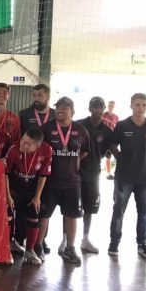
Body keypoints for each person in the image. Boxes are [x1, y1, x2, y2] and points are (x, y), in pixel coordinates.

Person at [108, 93, 146, 259]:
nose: (140, 108)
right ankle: (114, 243)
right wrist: (121, 158)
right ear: (131, 105)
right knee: (118, 211)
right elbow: (112, 145)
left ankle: (142, 244)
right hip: (124, 177)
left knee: (144, 213)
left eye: (144, 105)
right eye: (137, 104)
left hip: (145, 179)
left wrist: (144, 161)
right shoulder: (122, 125)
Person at [38, 97, 90, 265]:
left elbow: (84, 151)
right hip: (50, 181)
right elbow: (39, 150)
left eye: (65, 107)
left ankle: (70, 248)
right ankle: (38, 246)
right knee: (44, 215)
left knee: (72, 215)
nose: (60, 110)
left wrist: (71, 162)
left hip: (72, 181)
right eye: (58, 107)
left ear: (72, 111)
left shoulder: (81, 130)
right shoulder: (46, 128)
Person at [4, 128, 52, 265]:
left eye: (27, 143)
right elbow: (5, 174)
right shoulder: (13, 149)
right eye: (23, 140)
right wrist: (8, 196)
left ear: (37, 146)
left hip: (30, 191)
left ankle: (30, 250)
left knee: (34, 215)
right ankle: (6, 250)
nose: (23, 144)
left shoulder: (46, 150)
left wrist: (37, 197)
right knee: (8, 216)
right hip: (13, 191)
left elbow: (43, 175)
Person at [77, 97, 113, 255]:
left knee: (89, 208)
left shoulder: (107, 131)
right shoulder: (78, 125)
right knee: (69, 207)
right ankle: (65, 241)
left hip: (93, 174)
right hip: (74, 172)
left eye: (100, 107)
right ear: (89, 108)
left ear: (104, 108)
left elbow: (104, 152)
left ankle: (85, 239)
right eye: (95, 107)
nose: (98, 110)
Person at [0, 82, 21, 147]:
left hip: (8, 151)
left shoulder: (15, 118)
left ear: (8, 96)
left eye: (5, 93)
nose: (1, 95)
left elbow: (17, 140)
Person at [102, 100, 119, 180]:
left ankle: (109, 173)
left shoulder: (116, 117)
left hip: (112, 139)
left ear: (114, 106)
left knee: (110, 156)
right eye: (110, 105)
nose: (111, 107)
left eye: (112, 105)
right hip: (103, 138)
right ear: (107, 106)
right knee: (99, 156)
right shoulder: (103, 115)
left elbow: (117, 128)